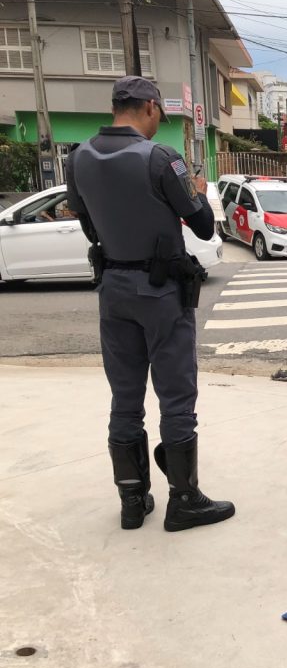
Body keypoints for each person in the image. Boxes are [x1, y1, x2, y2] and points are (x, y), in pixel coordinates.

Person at [65, 76, 234, 532]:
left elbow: (88, 225)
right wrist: (195, 191)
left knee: (125, 399)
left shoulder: (77, 157)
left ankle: (132, 501)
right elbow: (202, 228)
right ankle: (185, 500)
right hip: (160, 292)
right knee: (176, 397)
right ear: (151, 108)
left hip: (113, 288)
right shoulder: (162, 159)